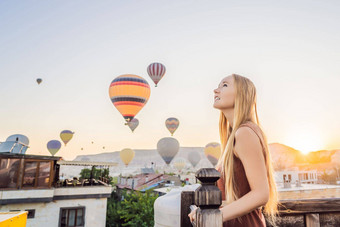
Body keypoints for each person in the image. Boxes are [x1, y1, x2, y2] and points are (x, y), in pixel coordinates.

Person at [189, 74, 279, 226]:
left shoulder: (245, 132)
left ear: (242, 94)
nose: (215, 90)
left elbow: (261, 194)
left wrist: (211, 216)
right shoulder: (235, 135)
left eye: (224, 85)